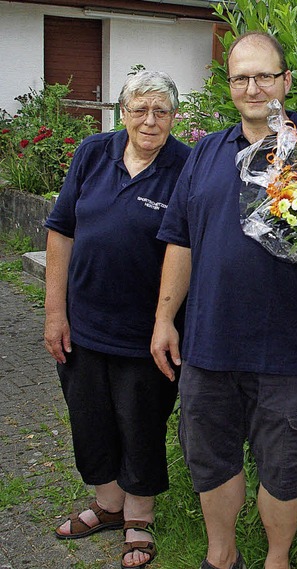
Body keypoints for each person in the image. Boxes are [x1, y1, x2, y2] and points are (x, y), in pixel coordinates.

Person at [150, 31, 297, 569]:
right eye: (242, 77)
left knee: (284, 468)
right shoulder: (207, 153)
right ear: (230, 85)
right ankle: (221, 557)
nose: (253, 87)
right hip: (208, 343)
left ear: (286, 81)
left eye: (264, 75)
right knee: (211, 461)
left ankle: (276, 560)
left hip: (287, 350)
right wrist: (164, 319)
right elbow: (180, 239)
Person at [44, 70, 190, 569]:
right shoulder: (93, 153)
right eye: (140, 109)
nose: (150, 121)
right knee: (88, 421)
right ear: (122, 112)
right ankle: (108, 505)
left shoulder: (183, 167)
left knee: (141, 424)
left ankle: (139, 519)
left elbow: (188, 248)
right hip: (82, 326)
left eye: (161, 111)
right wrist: (54, 312)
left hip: (146, 334)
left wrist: (166, 321)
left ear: (174, 117)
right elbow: (61, 231)